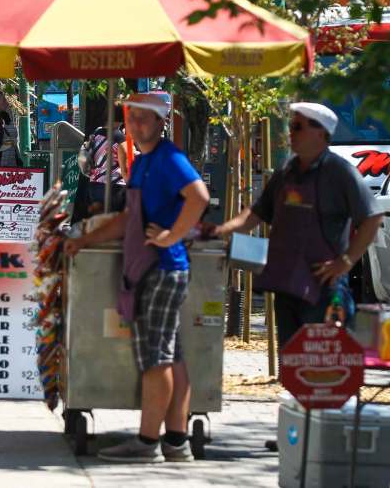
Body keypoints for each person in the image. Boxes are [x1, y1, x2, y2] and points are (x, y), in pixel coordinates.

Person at [65, 93, 209, 463]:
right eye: (133, 118)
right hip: (155, 268)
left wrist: (170, 236)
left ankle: (148, 443)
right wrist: (83, 240)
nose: (137, 125)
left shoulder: (168, 158)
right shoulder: (143, 163)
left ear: (162, 122)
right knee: (172, 356)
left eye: (146, 119)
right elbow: (128, 218)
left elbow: (199, 196)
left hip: (160, 269)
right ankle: (176, 440)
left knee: (156, 358)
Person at [213, 102, 383, 348]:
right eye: (290, 126)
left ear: (321, 133)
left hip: (323, 290)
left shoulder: (339, 171)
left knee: (323, 366)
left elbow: (372, 217)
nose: (290, 132)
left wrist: (345, 261)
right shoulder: (286, 172)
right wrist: (221, 231)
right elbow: (256, 213)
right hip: (286, 285)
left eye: (297, 126)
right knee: (293, 363)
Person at [72, 110, 129, 223]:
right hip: (114, 187)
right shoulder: (119, 138)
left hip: (94, 185)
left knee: (99, 223)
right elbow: (125, 169)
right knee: (113, 224)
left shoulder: (96, 132)